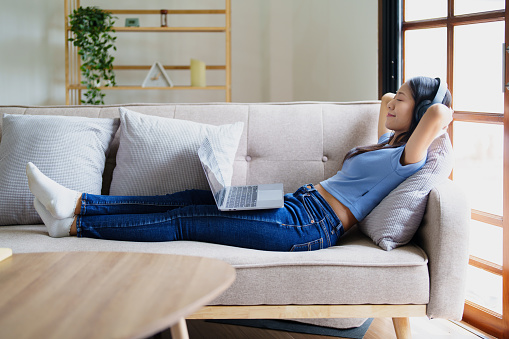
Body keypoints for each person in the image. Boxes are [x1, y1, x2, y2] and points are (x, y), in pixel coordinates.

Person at [26, 76, 453, 252]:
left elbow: (438, 117)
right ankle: (78, 204)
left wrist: (438, 101)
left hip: (307, 226)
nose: (392, 101)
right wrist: (396, 99)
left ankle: (75, 224)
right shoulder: (385, 147)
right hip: (292, 202)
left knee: (185, 220)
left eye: (403, 99)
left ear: (419, 115)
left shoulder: (406, 160)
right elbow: (382, 106)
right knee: (188, 197)